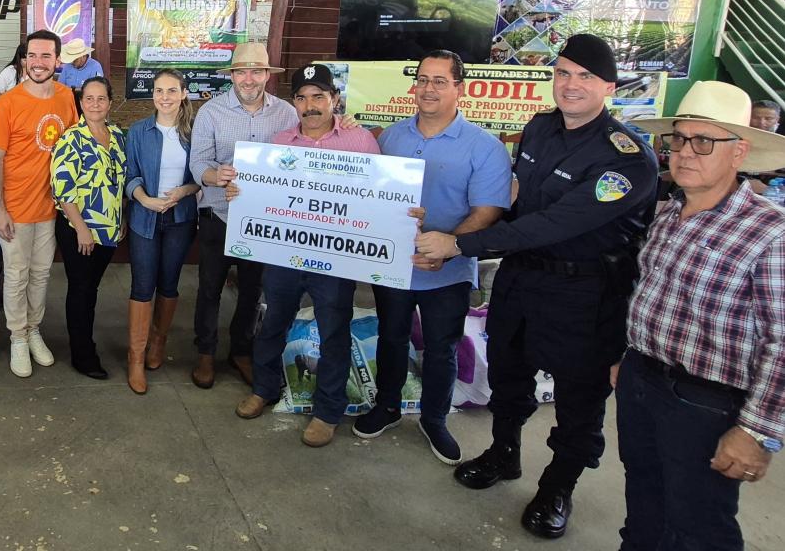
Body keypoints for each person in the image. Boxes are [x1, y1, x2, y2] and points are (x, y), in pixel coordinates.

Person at [416, 34, 658, 540]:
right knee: (508, 374)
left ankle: (558, 486)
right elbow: (519, 204)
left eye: (585, 77)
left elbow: (551, 223)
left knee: (578, 398)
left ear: (608, 86)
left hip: (585, 293)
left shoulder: (628, 157)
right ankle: (504, 453)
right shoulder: (541, 128)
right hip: (522, 278)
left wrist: (459, 245)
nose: (571, 85)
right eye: (564, 72)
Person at [616, 81, 785, 551]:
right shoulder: (668, 214)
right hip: (641, 382)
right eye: (678, 139)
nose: (685, 153)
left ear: (740, 152)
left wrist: (757, 431)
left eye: (704, 141)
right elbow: (649, 292)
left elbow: (782, 342)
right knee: (644, 504)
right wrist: (628, 357)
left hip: (706, 403)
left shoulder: (770, 233)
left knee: (699, 527)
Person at [355, 51, 512, 464]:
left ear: (459, 88)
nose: (428, 89)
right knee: (391, 337)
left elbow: (486, 213)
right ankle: (387, 406)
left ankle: (434, 418)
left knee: (442, 347)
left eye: (439, 81)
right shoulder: (390, 138)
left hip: (450, 270)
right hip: (392, 265)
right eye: (422, 79)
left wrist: (447, 245)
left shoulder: (485, 147)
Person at [226, 64, 379, 449]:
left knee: (333, 330)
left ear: (334, 99)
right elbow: (260, 193)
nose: (310, 106)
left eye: (318, 97)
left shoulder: (360, 142)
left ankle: (328, 411)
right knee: (273, 320)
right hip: (284, 254)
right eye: (302, 97)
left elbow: (379, 198)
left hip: (335, 259)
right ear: (293, 102)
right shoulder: (280, 142)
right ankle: (263, 388)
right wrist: (240, 195)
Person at [188, 42, 297, 388]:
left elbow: (304, 154)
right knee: (209, 289)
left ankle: (240, 350)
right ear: (232, 76)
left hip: (261, 221)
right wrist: (213, 176)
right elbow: (198, 163)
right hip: (218, 214)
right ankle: (205, 352)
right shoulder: (211, 112)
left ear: (267, 75)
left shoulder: (287, 114)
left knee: (252, 291)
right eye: (241, 72)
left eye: (256, 71)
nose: (248, 79)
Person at [0, 30, 77, 378]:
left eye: (46, 56)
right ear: (24, 59)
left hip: (51, 208)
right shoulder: (7, 103)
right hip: (16, 209)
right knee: (16, 275)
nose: (38, 63)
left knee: (41, 274)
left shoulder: (68, 97)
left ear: (57, 60)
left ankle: (34, 329)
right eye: (32, 56)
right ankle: (17, 337)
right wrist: (0, 208)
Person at [123, 69, 200, 395]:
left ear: (184, 93)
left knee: (169, 283)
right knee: (143, 286)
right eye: (158, 91)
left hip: (180, 218)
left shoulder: (195, 132)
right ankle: (136, 356)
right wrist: (144, 200)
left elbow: (203, 173)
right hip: (145, 217)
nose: (164, 97)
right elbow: (129, 173)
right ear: (151, 94)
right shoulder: (140, 131)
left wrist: (183, 192)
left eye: (171, 90)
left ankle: (158, 340)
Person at [52, 76, 126, 380]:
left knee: (91, 289)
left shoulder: (119, 136)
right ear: (81, 104)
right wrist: (82, 228)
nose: (95, 104)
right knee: (81, 290)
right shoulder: (70, 139)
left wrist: (122, 219)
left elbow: (119, 182)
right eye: (89, 99)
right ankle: (83, 353)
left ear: (109, 102)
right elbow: (62, 189)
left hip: (109, 229)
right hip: (78, 229)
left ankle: (84, 341)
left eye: (101, 98)